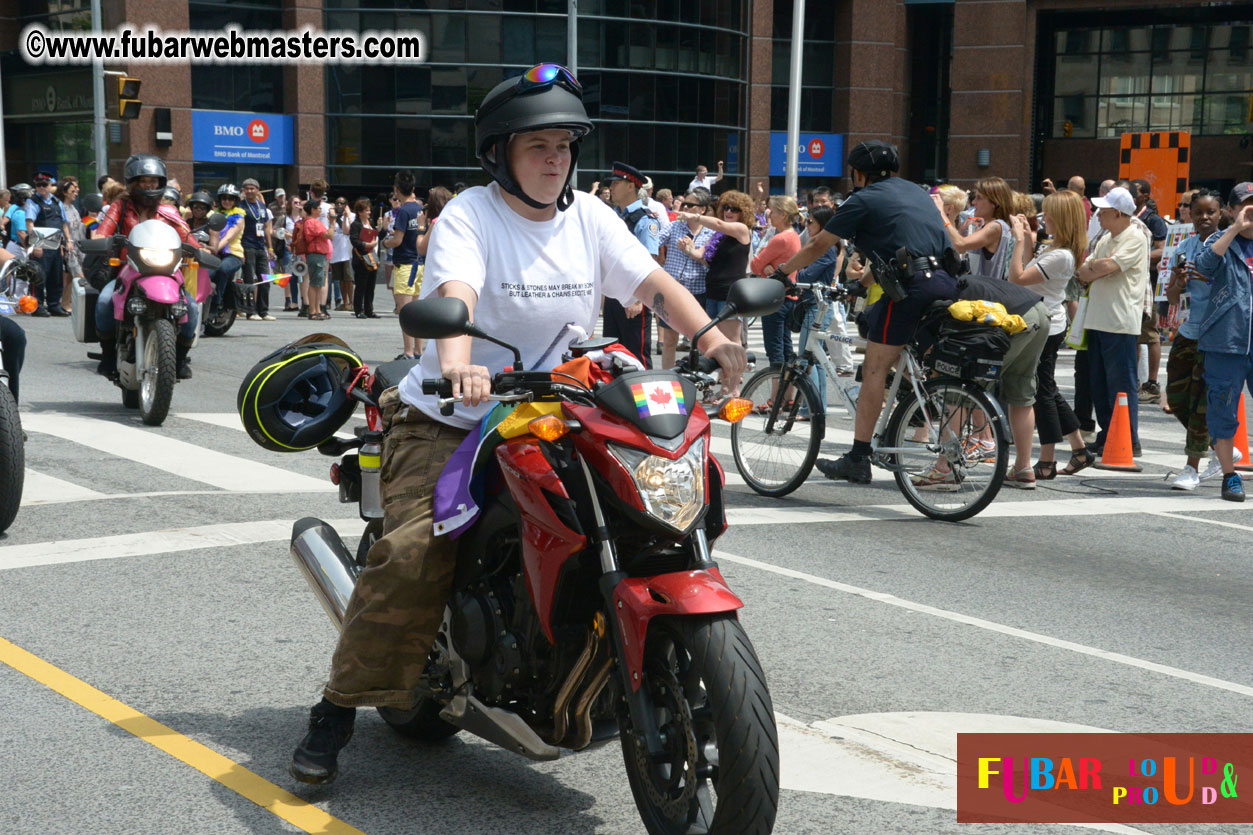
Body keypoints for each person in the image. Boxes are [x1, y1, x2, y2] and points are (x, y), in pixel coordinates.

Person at [288, 63, 747, 785]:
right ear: (499, 152)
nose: (554, 157)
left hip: (559, 405)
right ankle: (338, 707)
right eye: (537, 145)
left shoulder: (590, 217)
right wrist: (459, 361)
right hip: (451, 412)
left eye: (564, 144)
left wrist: (713, 338)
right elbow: (455, 294)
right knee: (414, 552)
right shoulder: (471, 215)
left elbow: (653, 285)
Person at [777, 140, 957, 484]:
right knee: (915, 371)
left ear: (858, 173)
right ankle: (941, 451)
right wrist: (864, 282)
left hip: (909, 289)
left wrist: (782, 273)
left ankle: (858, 457)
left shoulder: (862, 199)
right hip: (946, 282)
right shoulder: (917, 193)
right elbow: (904, 246)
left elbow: (818, 244)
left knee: (874, 369)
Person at [91, 154, 203, 380]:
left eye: (153, 181)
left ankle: (179, 359)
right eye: (144, 181)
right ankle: (108, 356)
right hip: (129, 268)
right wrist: (99, 240)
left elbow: (187, 237)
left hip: (167, 272)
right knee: (104, 302)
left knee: (190, 308)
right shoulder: (120, 206)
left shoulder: (169, 211)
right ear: (133, 182)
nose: (149, 185)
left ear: (161, 184)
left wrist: (202, 250)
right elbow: (103, 230)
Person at [1007, 190, 1092, 479]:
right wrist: (1029, 241)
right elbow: (1030, 269)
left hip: (1046, 327)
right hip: (1046, 323)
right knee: (1047, 389)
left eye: (1049, 213)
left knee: (1040, 391)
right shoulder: (1054, 249)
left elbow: (1017, 278)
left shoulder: (1061, 255)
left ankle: (1047, 459)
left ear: (1061, 217)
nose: (1045, 218)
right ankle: (1078, 450)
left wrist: (1018, 241)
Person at [1074, 186, 1149, 459]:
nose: (1098, 215)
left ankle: (1128, 438)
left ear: (1119, 213)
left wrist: (1096, 268)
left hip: (1119, 321)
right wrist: (1097, 268)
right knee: (1100, 383)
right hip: (1098, 319)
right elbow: (1084, 270)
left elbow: (1103, 267)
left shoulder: (1135, 237)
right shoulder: (1107, 237)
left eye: (1103, 212)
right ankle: (1108, 435)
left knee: (1121, 384)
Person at [1194, 182, 1253, 502]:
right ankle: (1230, 475)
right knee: (1222, 409)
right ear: (1231, 210)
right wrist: (1235, 229)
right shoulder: (1221, 240)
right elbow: (1203, 266)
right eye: (1245, 205)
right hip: (1225, 340)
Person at [1164, 189, 1227, 490]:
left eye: (1210, 212)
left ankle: (1191, 468)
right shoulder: (1184, 246)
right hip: (1188, 331)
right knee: (1175, 398)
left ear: (1221, 213)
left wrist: (1209, 279)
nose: (1203, 217)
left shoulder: (1228, 245)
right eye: (1197, 211)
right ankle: (1218, 445)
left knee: (1200, 402)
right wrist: (1179, 280)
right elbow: (1172, 296)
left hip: (1216, 335)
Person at [674, 189, 754, 389]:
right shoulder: (719, 236)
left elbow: (719, 224)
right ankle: (720, 387)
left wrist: (695, 216)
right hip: (713, 291)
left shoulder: (741, 229)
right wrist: (688, 248)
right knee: (714, 343)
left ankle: (732, 388)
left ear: (742, 212)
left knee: (732, 342)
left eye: (734, 209)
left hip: (731, 293)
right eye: (725, 207)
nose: (728, 211)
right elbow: (701, 255)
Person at [602, 161, 663, 368]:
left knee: (636, 355)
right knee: (611, 353)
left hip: (634, 294)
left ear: (631, 186)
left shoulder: (644, 219)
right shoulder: (613, 217)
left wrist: (638, 299)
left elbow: (649, 260)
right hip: (613, 294)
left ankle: (644, 397)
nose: (611, 188)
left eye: (616, 183)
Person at [657, 189, 714, 369]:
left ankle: (693, 378)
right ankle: (667, 378)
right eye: (684, 204)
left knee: (698, 340)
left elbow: (712, 262)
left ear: (702, 210)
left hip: (697, 291)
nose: (685, 208)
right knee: (669, 340)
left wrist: (693, 251)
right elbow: (654, 241)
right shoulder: (675, 226)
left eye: (690, 205)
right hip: (672, 289)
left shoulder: (711, 232)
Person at [753, 195, 803, 374]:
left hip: (774, 298)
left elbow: (755, 264)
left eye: (772, 212)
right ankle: (787, 397)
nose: (769, 215)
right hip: (788, 296)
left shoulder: (780, 239)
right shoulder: (794, 236)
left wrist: (765, 265)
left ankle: (776, 398)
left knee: (775, 352)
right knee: (786, 348)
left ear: (782, 214)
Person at [1130, 179, 1169, 404]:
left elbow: (1162, 251)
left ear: (1145, 195)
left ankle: (1152, 384)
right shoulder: (1128, 218)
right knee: (1134, 334)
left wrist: (1135, 255)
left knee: (1150, 334)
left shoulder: (1153, 220)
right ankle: (1132, 380)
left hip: (1150, 285)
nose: (1131, 197)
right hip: (1133, 284)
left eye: (1135, 193)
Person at [938, 176, 1015, 279]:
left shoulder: (996, 226)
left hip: (986, 293)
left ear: (995, 202)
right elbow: (956, 248)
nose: (973, 202)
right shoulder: (986, 226)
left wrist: (941, 213)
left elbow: (960, 245)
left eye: (979, 198)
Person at [384, 170, 424, 359]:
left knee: (405, 312)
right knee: (417, 311)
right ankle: (418, 350)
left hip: (405, 264)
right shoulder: (419, 209)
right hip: (419, 263)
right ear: (413, 188)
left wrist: (385, 242)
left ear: (397, 189)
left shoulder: (403, 211)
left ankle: (408, 351)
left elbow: (397, 240)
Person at [25, 173, 72, 316]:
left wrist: (69, 241)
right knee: (39, 275)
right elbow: (30, 223)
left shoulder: (57, 202)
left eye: (44, 184)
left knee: (56, 275)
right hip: (42, 245)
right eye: (38, 185)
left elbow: (64, 223)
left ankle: (53, 304)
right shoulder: (33, 202)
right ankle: (37, 306)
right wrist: (36, 243)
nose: (41, 188)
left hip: (56, 244)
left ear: (51, 185)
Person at [239, 179, 276, 321]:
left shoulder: (262, 206)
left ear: (257, 190)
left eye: (252, 188)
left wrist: (270, 247)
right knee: (249, 280)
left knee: (265, 279)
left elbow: (267, 228)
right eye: (246, 188)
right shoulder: (241, 206)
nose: (249, 191)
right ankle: (250, 311)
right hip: (247, 246)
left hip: (261, 247)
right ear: (243, 191)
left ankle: (264, 311)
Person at [293, 199, 332, 320]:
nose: (320, 210)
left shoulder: (312, 222)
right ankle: (313, 311)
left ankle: (317, 309)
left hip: (318, 254)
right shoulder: (312, 222)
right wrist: (332, 223)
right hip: (316, 254)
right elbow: (328, 235)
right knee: (314, 283)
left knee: (318, 283)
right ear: (313, 210)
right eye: (318, 208)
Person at [348, 198, 379, 319]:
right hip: (361, 258)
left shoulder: (370, 222)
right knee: (361, 284)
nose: (369, 212)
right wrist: (366, 245)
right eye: (366, 210)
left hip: (372, 256)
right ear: (360, 212)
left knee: (371, 285)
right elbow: (354, 240)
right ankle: (358, 309)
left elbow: (377, 235)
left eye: (369, 210)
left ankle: (369, 309)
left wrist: (382, 227)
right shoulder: (356, 225)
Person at [58, 177, 85, 311]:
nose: (76, 193)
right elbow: (63, 227)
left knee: (69, 277)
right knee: (79, 276)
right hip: (69, 246)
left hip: (78, 245)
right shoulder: (61, 207)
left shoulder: (73, 207)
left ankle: (65, 302)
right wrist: (65, 243)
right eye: (72, 191)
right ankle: (81, 305)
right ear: (65, 192)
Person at [330, 197, 353, 311]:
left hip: (347, 252)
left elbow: (347, 231)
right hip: (335, 252)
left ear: (346, 205)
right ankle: (345, 303)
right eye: (337, 203)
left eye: (342, 203)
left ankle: (352, 302)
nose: (339, 205)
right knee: (340, 279)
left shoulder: (351, 216)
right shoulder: (332, 217)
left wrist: (346, 216)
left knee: (349, 278)